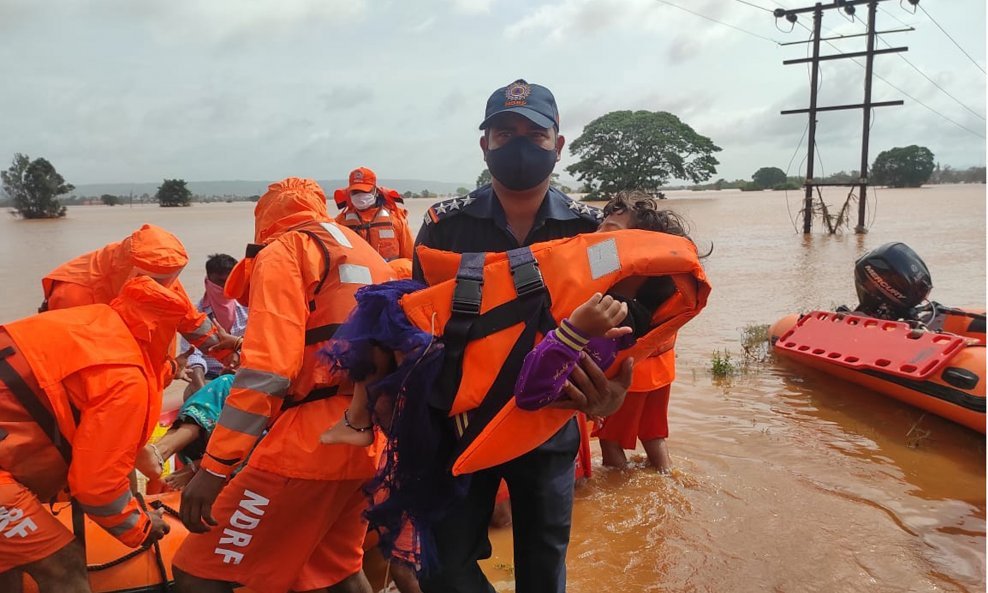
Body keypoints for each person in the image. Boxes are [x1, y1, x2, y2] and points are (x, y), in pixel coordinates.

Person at [410, 79, 634, 593]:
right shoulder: (444, 225)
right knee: (443, 568)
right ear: (484, 145)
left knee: (543, 565)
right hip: (459, 422)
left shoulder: (590, 231)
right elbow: (411, 321)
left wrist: (616, 390)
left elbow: (626, 326)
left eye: (533, 135)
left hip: (549, 425)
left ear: (558, 146)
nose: (517, 144)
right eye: (503, 132)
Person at [173, 177, 394, 593]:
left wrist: (215, 469)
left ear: (265, 221)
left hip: (310, 446)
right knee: (336, 572)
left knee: (198, 572)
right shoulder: (364, 250)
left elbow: (270, 372)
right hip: (369, 438)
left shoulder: (285, 250)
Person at [0, 277, 196, 593]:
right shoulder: (125, 378)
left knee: (9, 561)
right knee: (63, 565)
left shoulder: (92, 322)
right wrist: (142, 528)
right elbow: (97, 487)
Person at [40, 224, 239, 384]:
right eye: (158, 281)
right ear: (131, 270)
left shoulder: (161, 273)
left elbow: (191, 321)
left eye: (171, 279)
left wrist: (229, 353)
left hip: (149, 377)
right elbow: (95, 367)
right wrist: (169, 370)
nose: (162, 288)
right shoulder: (73, 296)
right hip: (103, 382)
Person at [178, 253, 248, 397]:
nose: (224, 288)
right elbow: (193, 356)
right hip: (209, 376)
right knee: (191, 395)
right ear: (207, 281)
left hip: (242, 374)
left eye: (229, 282)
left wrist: (236, 365)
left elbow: (261, 347)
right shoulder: (194, 314)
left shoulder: (249, 309)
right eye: (219, 282)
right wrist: (202, 391)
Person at [334, 167, 414, 263]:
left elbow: (410, 258)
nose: (360, 195)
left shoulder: (396, 220)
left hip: (390, 276)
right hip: (356, 277)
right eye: (355, 192)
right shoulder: (339, 223)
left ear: (375, 191)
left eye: (365, 191)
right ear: (349, 193)